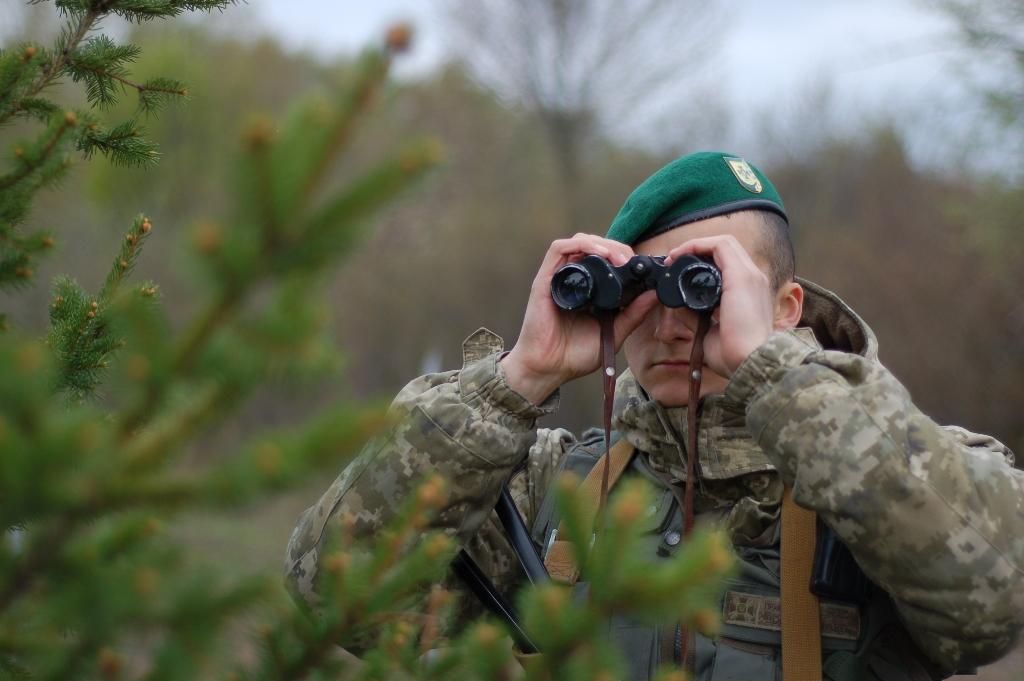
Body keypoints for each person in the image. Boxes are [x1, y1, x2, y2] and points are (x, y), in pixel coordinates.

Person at [285, 152, 1024, 680]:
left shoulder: (909, 476)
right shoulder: (556, 489)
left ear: (785, 306)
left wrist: (775, 371)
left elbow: (995, 603)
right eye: (645, 289)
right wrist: (519, 379)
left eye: (704, 286)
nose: (672, 324)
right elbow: (334, 594)